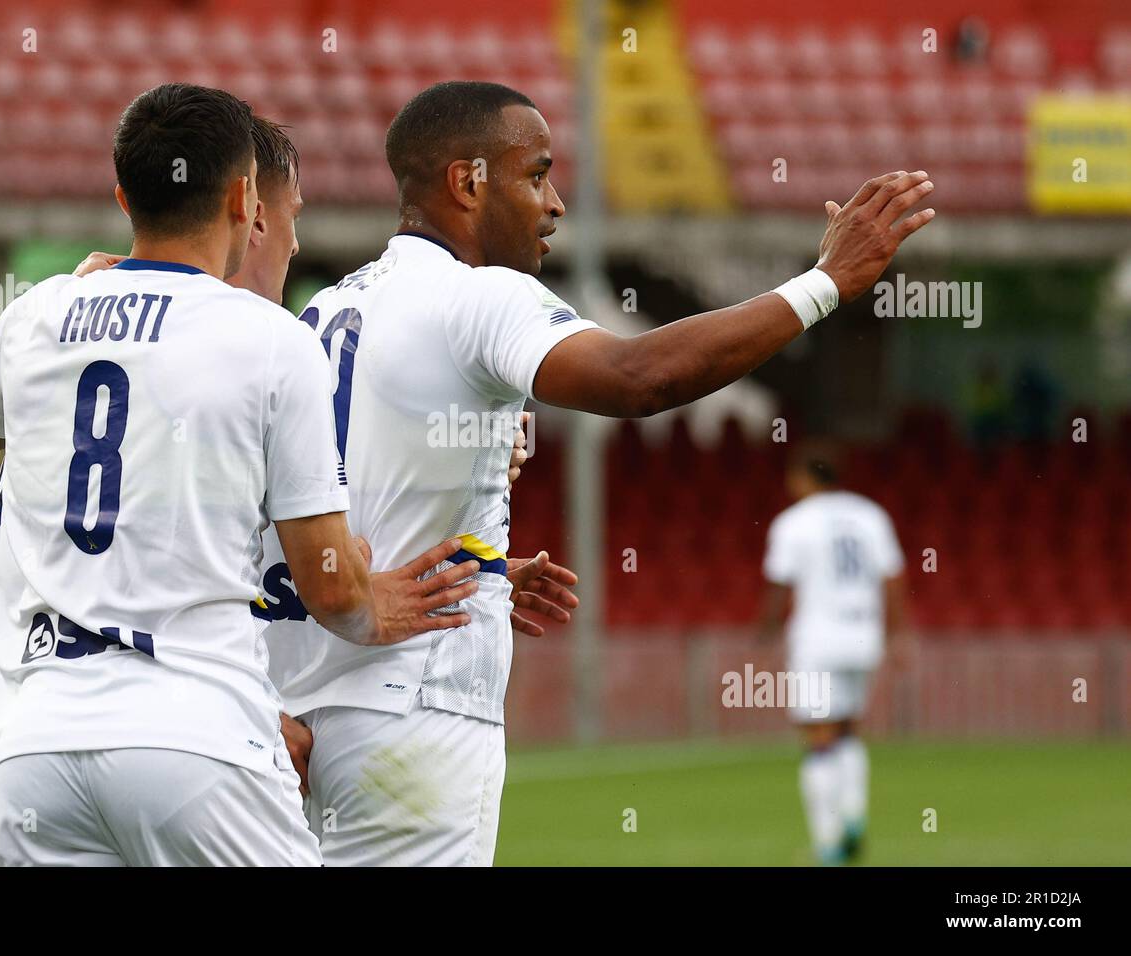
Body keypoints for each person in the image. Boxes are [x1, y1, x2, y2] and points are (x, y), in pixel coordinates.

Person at [255, 80, 935, 866]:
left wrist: (480, 565)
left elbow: (308, 505)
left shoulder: (326, 311)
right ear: (468, 183)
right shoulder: (480, 297)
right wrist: (823, 286)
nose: (554, 204)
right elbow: (640, 376)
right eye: (536, 174)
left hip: (298, 715)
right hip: (413, 715)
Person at [0, 82, 480, 867]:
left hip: (35, 750)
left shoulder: (33, 316)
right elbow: (334, 590)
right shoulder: (271, 340)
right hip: (195, 742)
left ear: (123, 195)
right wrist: (385, 610)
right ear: (245, 198)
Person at [758, 441, 908, 864]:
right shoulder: (870, 515)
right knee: (847, 730)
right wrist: (898, 635)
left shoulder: (793, 522)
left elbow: (778, 585)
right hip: (864, 633)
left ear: (805, 477)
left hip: (819, 638)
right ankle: (855, 816)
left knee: (817, 738)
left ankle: (828, 843)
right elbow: (894, 577)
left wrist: (765, 631)